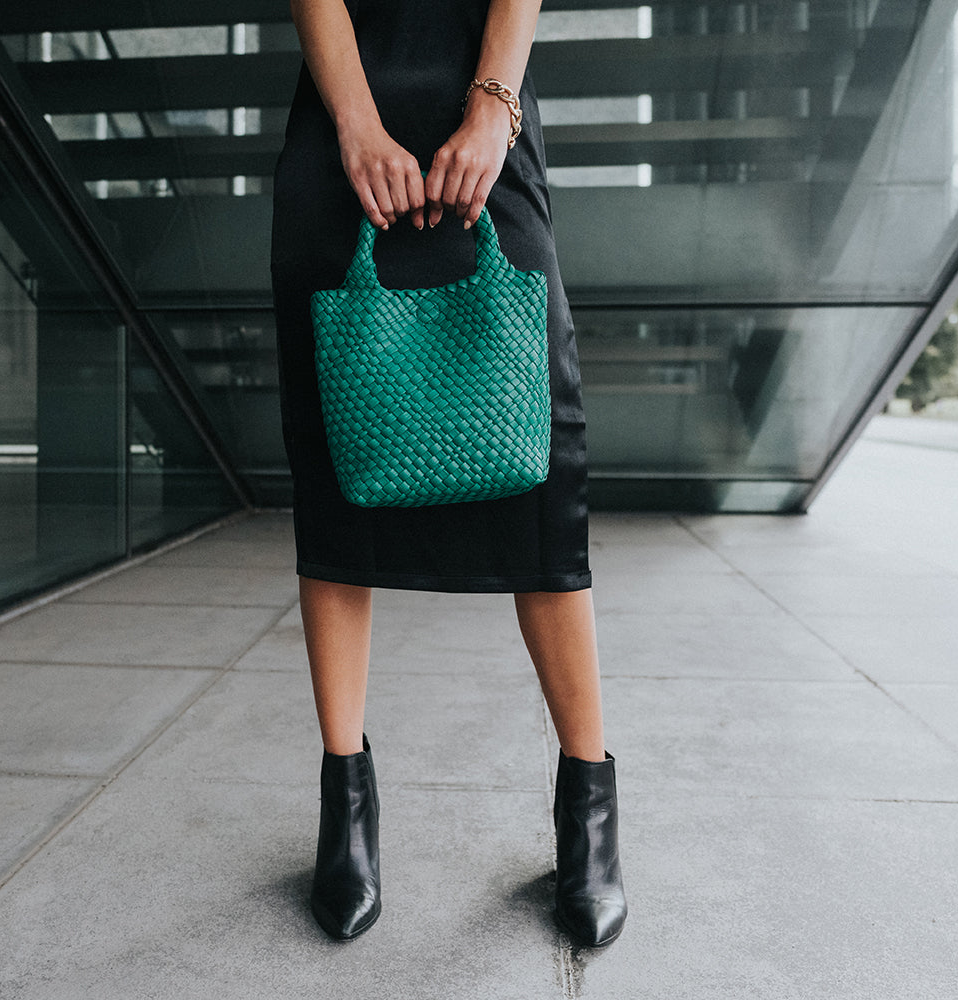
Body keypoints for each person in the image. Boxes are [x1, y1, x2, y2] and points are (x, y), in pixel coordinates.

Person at [271, 0, 626, 947]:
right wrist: (354, 123)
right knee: (340, 466)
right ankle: (345, 810)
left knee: (545, 480)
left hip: (485, 116)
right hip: (341, 119)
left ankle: (589, 816)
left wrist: (493, 106)